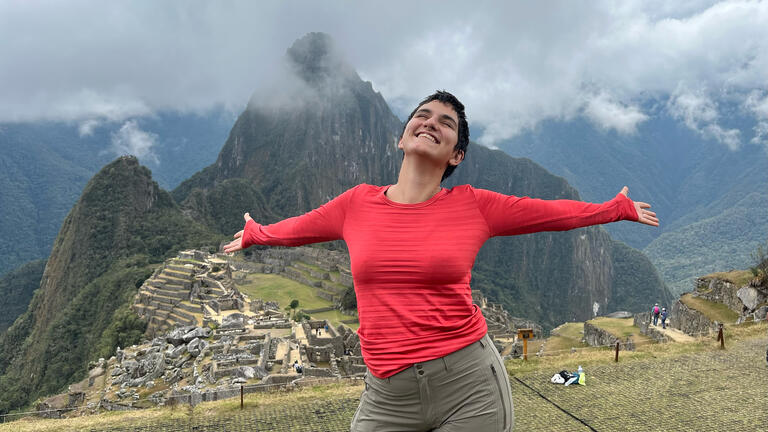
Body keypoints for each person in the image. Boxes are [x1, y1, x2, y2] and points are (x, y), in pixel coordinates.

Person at [224, 91, 659, 431]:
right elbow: (300, 227)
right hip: (386, 395)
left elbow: (546, 213)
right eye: (423, 115)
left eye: (445, 123)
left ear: (456, 155)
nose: (431, 122)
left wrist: (613, 209)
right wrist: (256, 234)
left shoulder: (474, 206)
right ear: (403, 135)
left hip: (469, 383)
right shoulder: (355, 204)